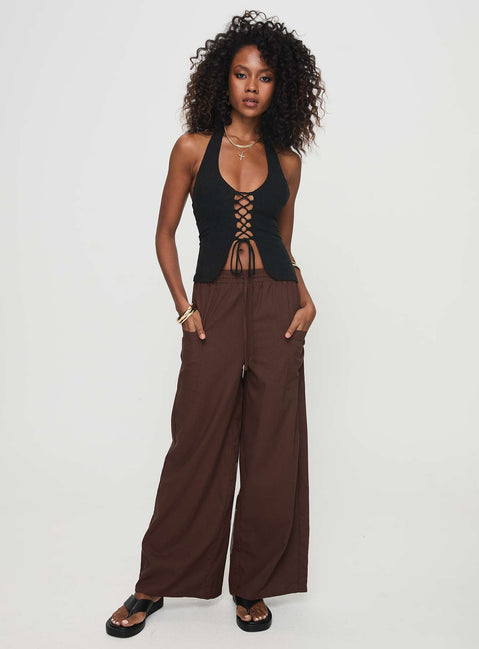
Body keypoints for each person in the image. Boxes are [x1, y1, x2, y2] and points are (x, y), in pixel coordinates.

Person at [106, 9, 326, 637]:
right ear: (222, 79)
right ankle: (155, 583)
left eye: (264, 77)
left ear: (281, 87)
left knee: (273, 449)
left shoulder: (288, 162)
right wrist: (185, 306)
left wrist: (306, 299)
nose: (252, 86)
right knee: (196, 442)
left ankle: (253, 584)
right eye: (241, 73)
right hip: (214, 303)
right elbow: (164, 234)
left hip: (278, 307)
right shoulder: (192, 148)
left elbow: (283, 243)